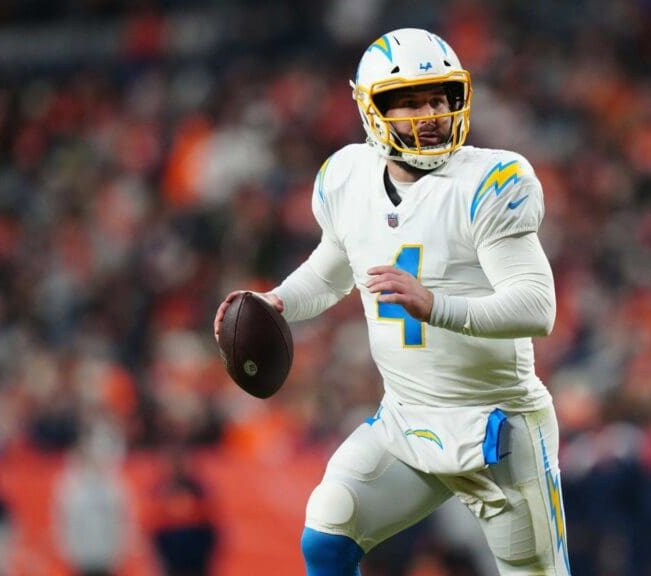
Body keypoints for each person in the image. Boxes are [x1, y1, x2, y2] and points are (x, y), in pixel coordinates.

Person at [214, 27, 570, 575]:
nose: (429, 115)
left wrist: (437, 306)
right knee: (328, 530)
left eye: (438, 99)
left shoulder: (490, 181)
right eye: (409, 102)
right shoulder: (347, 176)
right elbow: (332, 270)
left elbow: (536, 307)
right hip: (406, 419)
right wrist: (274, 302)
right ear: (371, 109)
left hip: (497, 426)